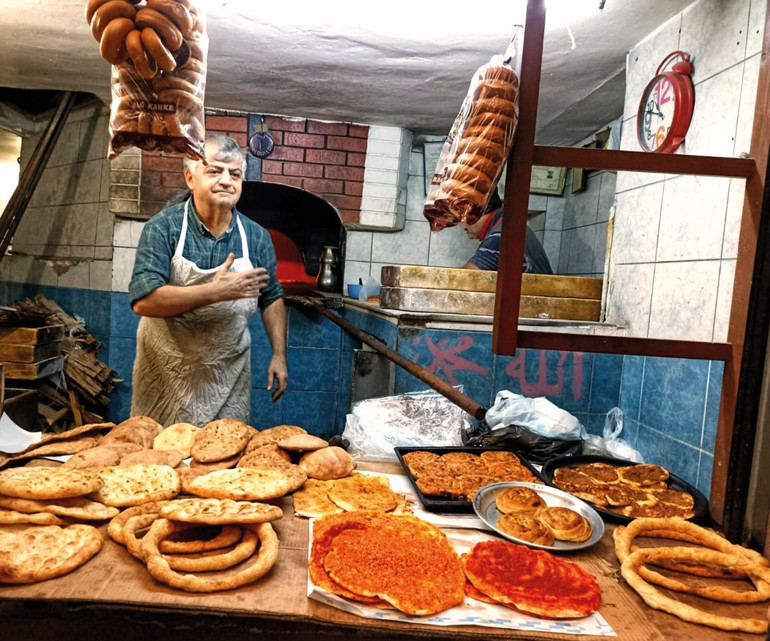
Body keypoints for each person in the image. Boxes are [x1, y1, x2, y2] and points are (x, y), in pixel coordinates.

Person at [128, 135, 287, 426]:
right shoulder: (163, 228)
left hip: (227, 374)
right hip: (166, 372)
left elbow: (272, 296)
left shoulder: (256, 237)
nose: (227, 180)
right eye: (215, 171)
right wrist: (214, 292)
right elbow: (144, 301)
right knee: (157, 461)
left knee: (222, 461)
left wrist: (279, 355)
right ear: (190, 177)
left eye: (235, 174)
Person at [461, 188, 553, 274]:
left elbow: (465, 277)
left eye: (462, 215)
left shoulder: (501, 236)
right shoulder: (509, 225)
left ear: (478, 210)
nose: (462, 225)